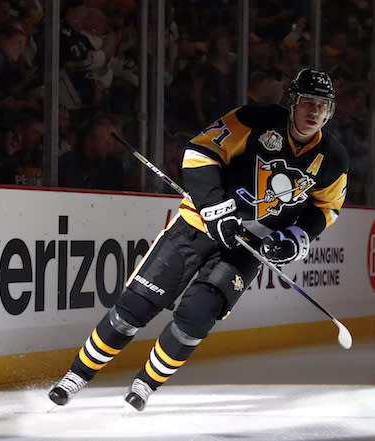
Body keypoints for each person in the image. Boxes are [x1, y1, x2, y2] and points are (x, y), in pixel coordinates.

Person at [48, 68, 349, 411]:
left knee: (198, 315)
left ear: (330, 111)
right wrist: (213, 207)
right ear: (293, 101)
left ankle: (145, 385)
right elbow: (200, 153)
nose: (314, 113)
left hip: (246, 247)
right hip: (198, 224)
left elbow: (326, 208)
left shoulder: (333, 157)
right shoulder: (255, 119)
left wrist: (296, 236)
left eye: (322, 106)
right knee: (137, 305)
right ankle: (76, 376)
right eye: (308, 103)